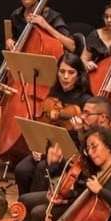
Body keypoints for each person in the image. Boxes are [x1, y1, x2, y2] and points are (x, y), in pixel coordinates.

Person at [18, 100, 111, 221]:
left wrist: (68, 194)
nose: (82, 117)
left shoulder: (108, 145)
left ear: (103, 118)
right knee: (24, 199)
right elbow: (73, 167)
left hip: (84, 200)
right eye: (83, 112)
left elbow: (92, 178)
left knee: (38, 213)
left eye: (87, 114)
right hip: (69, 192)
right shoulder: (86, 135)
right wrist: (56, 174)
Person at [12, 53, 91, 195]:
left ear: (79, 75)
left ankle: (34, 209)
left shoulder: (86, 100)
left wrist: (80, 128)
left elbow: (88, 137)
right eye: (62, 72)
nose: (65, 77)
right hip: (48, 148)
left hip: (70, 154)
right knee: (21, 170)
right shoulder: (54, 92)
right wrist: (38, 148)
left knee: (43, 168)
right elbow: (45, 126)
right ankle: (22, 207)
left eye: (71, 72)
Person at [4, 0, 75, 54]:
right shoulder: (16, 15)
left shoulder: (52, 16)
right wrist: (10, 41)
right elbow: (15, 39)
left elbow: (71, 46)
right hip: (23, 61)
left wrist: (45, 25)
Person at [80, 0, 111, 74]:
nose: (109, 20)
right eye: (106, 16)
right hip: (96, 75)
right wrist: (87, 64)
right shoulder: (95, 35)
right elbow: (83, 60)